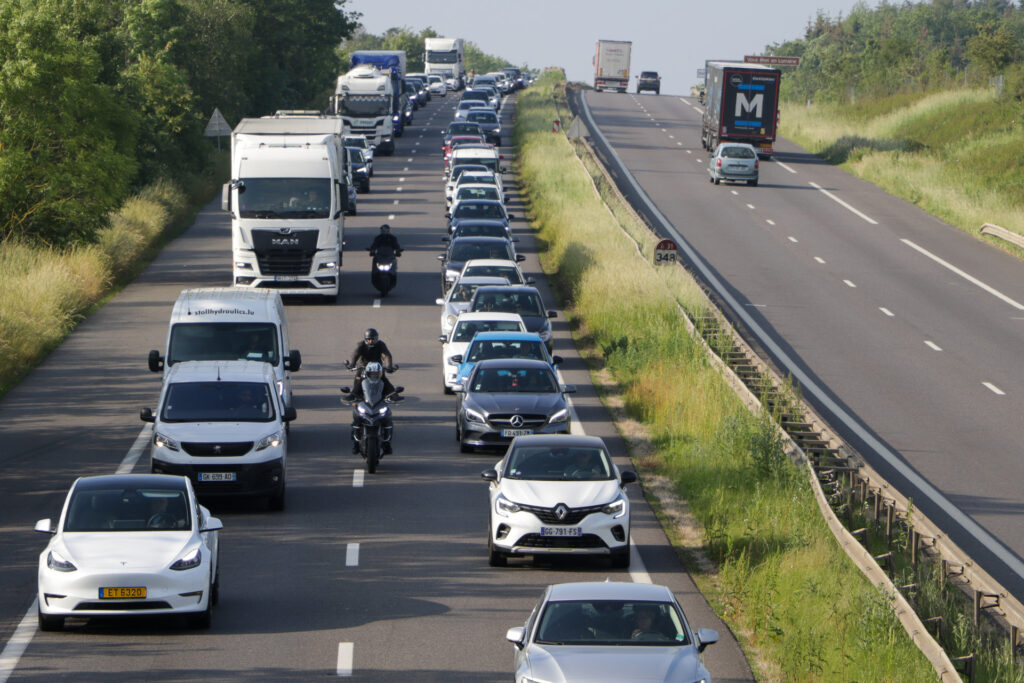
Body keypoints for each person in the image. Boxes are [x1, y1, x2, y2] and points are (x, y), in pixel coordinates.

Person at [345, 362, 397, 454]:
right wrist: (350, 397)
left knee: (388, 421)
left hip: (379, 405)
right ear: (367, 374)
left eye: (376, 374)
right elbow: (354, 392)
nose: (374, 376)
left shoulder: (384, 382)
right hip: (365, 405)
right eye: (372, 374)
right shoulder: (362, 382)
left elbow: (392, 391)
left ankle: (387, 443)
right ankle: (355, 444)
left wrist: (395, 396)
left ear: (380, 374)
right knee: (355, 421)